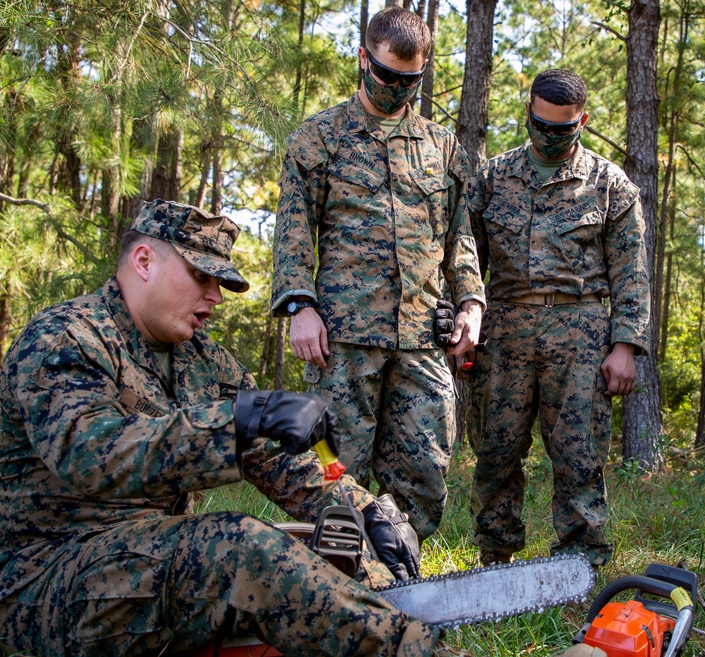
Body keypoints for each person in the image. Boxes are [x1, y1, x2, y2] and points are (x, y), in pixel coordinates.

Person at [0, 200, 435, 657]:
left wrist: (362, 508)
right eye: (201, 277)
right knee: (239, 548)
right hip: (49, 583)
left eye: (221, 283)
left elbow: (280, 461)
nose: (216, 297)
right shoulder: (65, 339)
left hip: (151, 566)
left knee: (328, 543)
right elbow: (89, 454)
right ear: (144, 261)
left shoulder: (204, 361)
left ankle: (401, 611)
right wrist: (241, 419)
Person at [271, 6, 486, 542]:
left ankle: (400, 577)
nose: (396, 88)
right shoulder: (318, 139)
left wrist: (472, 305)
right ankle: (335, 584)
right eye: (386, 74)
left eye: (409, 80)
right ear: (363, 59)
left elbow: (458, 236)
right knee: (330, 473)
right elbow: (294, 235)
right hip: (342, 341)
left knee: (425, 476)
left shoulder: (443, 149)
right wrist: (299, 307)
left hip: (421, 338)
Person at [465, 69, 651, 569]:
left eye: (560, 130)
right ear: (528, 114)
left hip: (581, 333)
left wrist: (625, 346)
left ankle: (579, 566)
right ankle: (494, 559)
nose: (547, 137)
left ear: (582, 122)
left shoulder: (610, 185)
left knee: (579, 455)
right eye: (538, 125)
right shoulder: (492, 177)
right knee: (495, 450)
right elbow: (465, 260)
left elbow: (631, 272)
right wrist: (463, 319)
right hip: (504, 330)